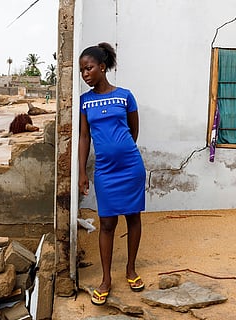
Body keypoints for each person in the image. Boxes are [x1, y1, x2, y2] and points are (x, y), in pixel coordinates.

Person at [78, 42, 146, 306]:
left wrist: (122, 150)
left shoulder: (125, 96)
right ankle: (106, 279)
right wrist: (83, 171)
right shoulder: (85, 102)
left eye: (89, 68)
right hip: (104, 171)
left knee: (133, 217)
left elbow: (133, 130)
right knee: (106, 223)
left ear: (102, 67)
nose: (85, 74)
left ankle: (130, 269)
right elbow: (85, 137)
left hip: (130, 167)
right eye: (82, 70)